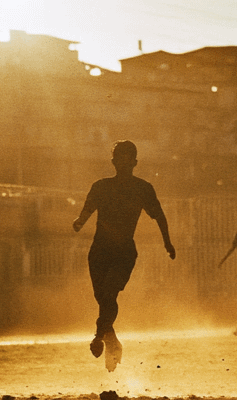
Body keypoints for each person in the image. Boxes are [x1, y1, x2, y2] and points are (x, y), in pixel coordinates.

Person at [73, 141, 176, 371]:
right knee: (104, 300)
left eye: (128, 158)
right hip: (98, 251)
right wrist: (80, 221)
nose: (124, 162)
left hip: (124, 253)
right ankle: (113, 343)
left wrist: (167, 242)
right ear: (113, 162)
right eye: (120, 158)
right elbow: (88, 208)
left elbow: (159, 216)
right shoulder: (100, 186)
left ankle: (100, 337)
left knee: (109, 293)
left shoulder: (143, 189)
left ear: (135, 162)